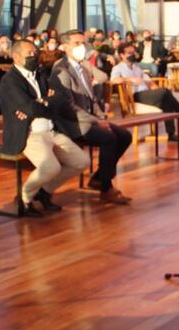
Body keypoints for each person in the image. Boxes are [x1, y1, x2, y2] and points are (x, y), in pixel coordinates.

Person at [0, 40, 89, 216]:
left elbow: (58, 99)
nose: (34, 56)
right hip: (30, 134)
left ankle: (43, 192)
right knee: (51, 167)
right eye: (29, 54)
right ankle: (24, 199)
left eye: (35, 52)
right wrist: (39, 105)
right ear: (16, 57)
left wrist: (41, 104)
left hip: (51, 130)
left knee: (81, 162)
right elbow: (30, 108)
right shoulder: (9, 81)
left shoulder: (40, 74)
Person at [50, 30, 132, 204]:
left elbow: (91, 97)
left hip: (90, 119)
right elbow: (67, 106)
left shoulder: (84, 66)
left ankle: (99, 177)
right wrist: (96, 121)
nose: (81, 47)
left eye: (83, 43)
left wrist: (101, 117)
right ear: (64, 47)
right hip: (72, 123)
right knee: (108, 138)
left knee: (125, 136)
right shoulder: (61, 70)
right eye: (76, 43)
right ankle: (106, 187)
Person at [110, 43, 179, 140]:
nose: (133, 55)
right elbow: (113, 80)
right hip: (133, 97)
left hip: (145, 95)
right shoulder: (118, 68)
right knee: (165, 93)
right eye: (129, 53)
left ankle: (171, 134)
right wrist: (129, 79)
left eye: (134, 52)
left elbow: (149, 82)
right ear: (122, 55)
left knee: (166, 100)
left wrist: (156, 89)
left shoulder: (137, 68)